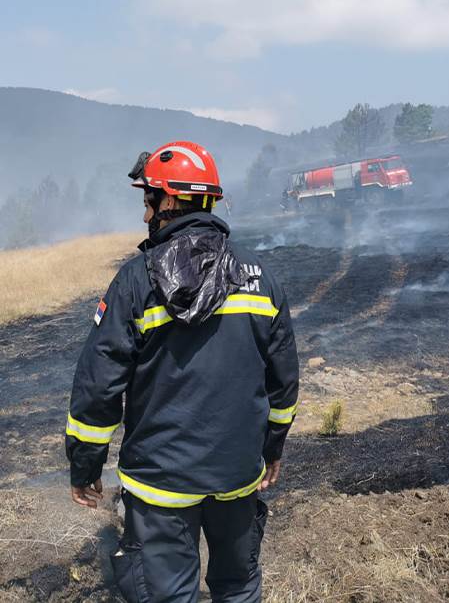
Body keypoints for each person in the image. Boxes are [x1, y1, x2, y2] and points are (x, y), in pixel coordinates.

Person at [65, 141, 299, 602]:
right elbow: (284, 384)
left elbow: (99, 384)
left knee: (168, 595)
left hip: (159, 484)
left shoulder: (135, 281)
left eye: (147, 199)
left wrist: (85, 464)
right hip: (235, 474)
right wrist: (271, 449)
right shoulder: (260, 279)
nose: (144, 213)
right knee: (237, 588)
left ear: (169, 200)